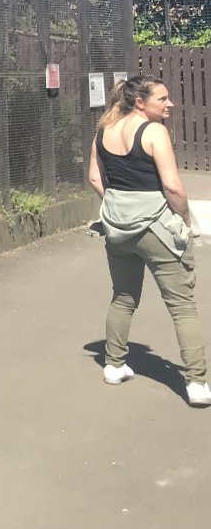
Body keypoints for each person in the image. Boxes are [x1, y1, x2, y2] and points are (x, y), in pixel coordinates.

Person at [88, 75, 209, 406]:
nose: (170, 104)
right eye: (163, 99)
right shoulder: (154, 131)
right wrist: (185, 221)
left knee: (123, 297)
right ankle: (197, 383)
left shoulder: (103, 130)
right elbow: (172, 186)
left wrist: (118, 204)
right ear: (140, 102)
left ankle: (114, 365)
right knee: (182, 306)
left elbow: (95, 178)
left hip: (117, 229)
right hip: (157, 227)